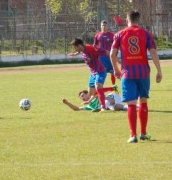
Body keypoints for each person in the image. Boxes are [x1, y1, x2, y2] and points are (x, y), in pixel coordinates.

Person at [110, 10, 162, 143]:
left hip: (128, 73)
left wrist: (116, 69)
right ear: (138, 20)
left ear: (127, 20)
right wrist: (159, 70)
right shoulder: (145, 34)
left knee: (131, 104)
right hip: (143, 73)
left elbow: (112, 54)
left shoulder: (119, 34)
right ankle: (143, 133)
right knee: (143, 101)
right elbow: (153, 52)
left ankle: (133, 135)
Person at [68, 37, 108, 111]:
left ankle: (103, 107)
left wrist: (114, 56)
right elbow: (80, 52)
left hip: (100, 71)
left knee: (98, 86)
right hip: (92, 73)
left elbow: (103, 51)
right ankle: (96, 105)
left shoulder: (90, 49)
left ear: (79, 46)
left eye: (74, 47)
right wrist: (74, 54)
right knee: (90, 94)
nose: (74, 48)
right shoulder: (81, 50)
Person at [62, 86, 128, 112]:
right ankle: (136, 107)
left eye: (83, 96)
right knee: (117, 108)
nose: (82, 98)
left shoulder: (94, 95)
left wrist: (89, 100)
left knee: (105, 101)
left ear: (88, 94)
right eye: (81, 97)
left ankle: (101, 108)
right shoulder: (89, 106)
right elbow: (77, 109)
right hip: (113, 104)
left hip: (113, 97)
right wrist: (67, 103)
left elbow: (99, 93)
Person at [93, 20, 116, 85]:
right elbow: (94, 45)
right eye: (102, 25)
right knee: (102, 72)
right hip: (101, 57)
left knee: (113, 72)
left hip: (110, 56)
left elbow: (115, 44)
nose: (104, 26)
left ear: (107, 26)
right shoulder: (97, 35)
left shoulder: (111, 35)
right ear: (100, 26)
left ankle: (114, 87)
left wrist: (115, 52)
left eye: (105, 25)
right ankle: (100, 87)